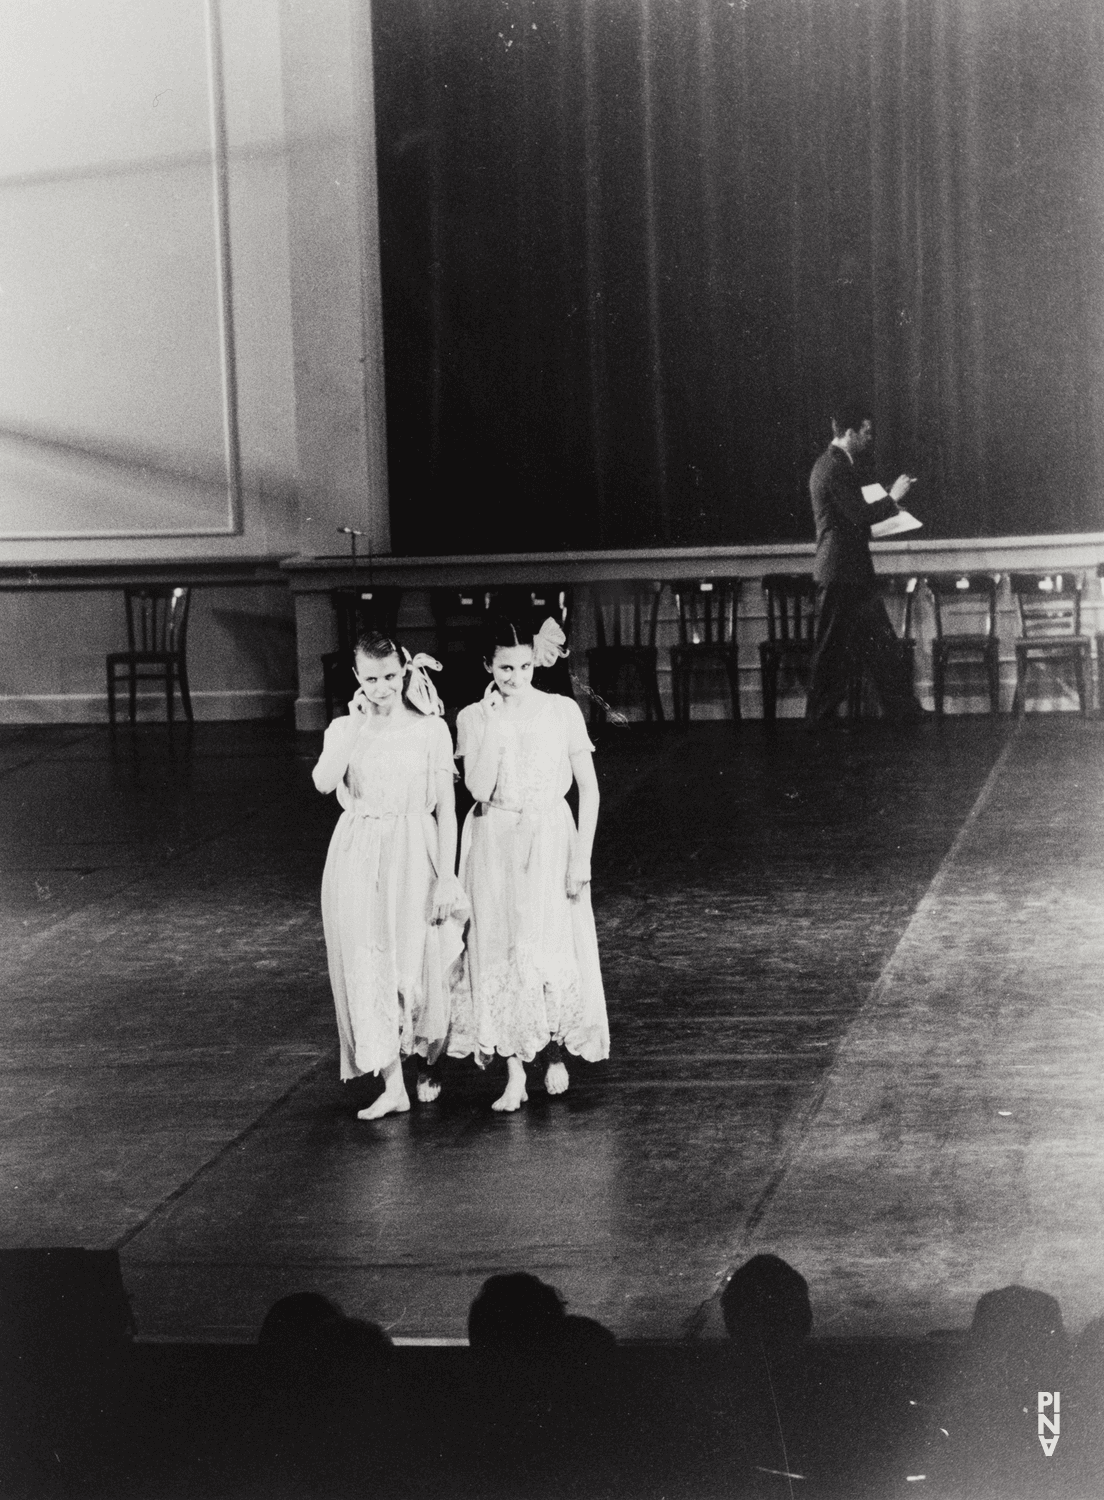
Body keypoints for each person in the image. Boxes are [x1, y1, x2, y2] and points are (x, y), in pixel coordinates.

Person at [452, 615, 609, 1111]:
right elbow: (476, 789)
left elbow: (589, 787)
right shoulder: (474, 718)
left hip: (550, 838)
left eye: (523, 666)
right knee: (500, 947)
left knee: (549, 943)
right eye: (504, 667)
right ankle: (515, 1071)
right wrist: (495, 725)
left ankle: (555, 1050)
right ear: (487, 666)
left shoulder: (561, 710)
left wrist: (581, 855)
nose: (515, 677)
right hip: (495, 838)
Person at [312, 632, 466, 1119]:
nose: (382, 688)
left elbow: (447, 809)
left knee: (423, 956)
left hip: (414, 849)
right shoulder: (343, 729)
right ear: (357, 678)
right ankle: (391, 1082)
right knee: (369, 960)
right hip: (360, 851)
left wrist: (448, 876)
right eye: (372, 679)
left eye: (390, 677)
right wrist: (357, 728)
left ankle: (429, 1061)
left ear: (405, 673)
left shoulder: (429, 730)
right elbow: (321, 782)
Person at [805, 402, 927, 725]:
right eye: (866, 431)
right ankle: (817, 717)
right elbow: (858, 516)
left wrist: (886, 501)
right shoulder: (835, 467)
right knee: (833, 648)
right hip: (841, 572)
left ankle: (902, 709)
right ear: (849, 432)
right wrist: (893, 499)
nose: (870, 438)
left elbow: (852, 513)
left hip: (849, 572)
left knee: (881, 644)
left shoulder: (833, 464)